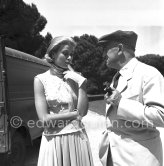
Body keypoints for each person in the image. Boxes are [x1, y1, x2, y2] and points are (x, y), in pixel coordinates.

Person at [98, 30, 164, 166]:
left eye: (106, 49)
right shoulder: (117, 78)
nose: (103, 54)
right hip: (115, 157)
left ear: (120, 48)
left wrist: (121, 103)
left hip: (139, 159)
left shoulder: (149, 74)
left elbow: (161, 115)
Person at [34, 36, 94, 166]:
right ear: (53, 54)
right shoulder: (40, 80)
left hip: (78, 137)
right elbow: (44, 120)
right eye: (65, 53)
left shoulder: (75, 78)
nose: (70, 58)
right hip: (54, 140)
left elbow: (83, 112)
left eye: (71, 54)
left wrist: (82, 84)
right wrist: (74, 114)